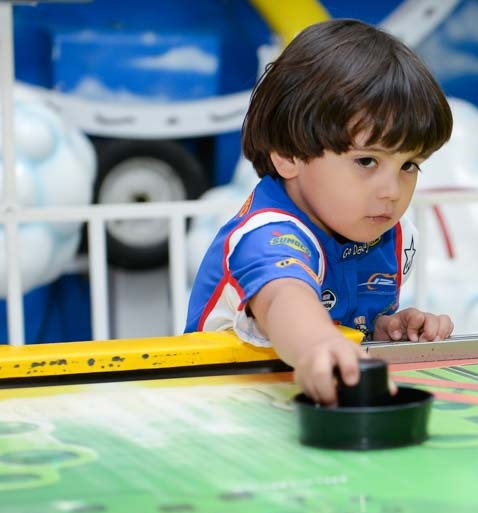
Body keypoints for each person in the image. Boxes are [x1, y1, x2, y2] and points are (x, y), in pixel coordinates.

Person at [185, 18, 454, 405]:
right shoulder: (266, 234)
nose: (392, 191)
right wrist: (317, 344)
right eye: (366, 161)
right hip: (214, 414)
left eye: (409, 165)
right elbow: (284, 299)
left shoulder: (387, 236)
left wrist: (384, 330)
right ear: (289, 155)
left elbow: (344, 321)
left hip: (296, 412)